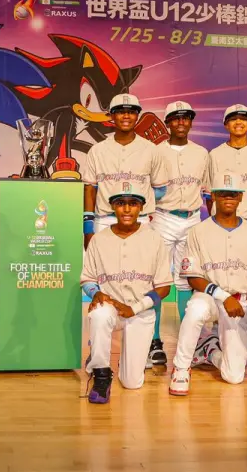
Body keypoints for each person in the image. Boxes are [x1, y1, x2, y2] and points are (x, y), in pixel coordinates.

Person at [168, 173, 247, 396]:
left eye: (233, 194)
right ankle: (181, 368)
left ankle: (209, 350)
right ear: (213, 196)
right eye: (223, 194)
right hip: (210, 297)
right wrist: (223, 296)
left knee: (234, 377)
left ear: (240, 197)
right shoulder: (197, 231)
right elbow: (192, 277)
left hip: (239, 303)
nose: (228, 198)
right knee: (195, 309)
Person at [81, 187, 173, 404]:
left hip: (140, 310)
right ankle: (101, 374)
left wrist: (135, 308)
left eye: (133, 203)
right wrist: (96, 293)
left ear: (141, 207)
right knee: (99, 314)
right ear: (113, 207)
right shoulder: (99, 239)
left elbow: (164, 287)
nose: (127, 209)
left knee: (132, 382)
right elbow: (87, 279)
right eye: (121, 203)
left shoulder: (154, 239)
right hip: (111, 306)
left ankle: (116, 356)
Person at [146, 100, 208, 364]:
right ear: (168, 122)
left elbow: (207, 190)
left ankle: (188, 340)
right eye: (176, 118)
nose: (181, 122)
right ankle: (154, 341)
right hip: (163, 216)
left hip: (192, 218)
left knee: (187, 279)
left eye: (186, 118)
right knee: (157, 278)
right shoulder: (155, 151)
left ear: (191, 122)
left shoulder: (202, 153)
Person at [81, 93, 172, 246]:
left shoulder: (151, 149)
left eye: (131, 112)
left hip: (140, 221)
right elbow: (90, 189)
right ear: (111, 116)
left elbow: (160, 189)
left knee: (141, 262)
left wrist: (142, 204)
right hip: (105, 220)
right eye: (120, 112)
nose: (126, 116)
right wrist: (88, 229)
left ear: (137, 116)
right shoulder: (97, 150)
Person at [205, 105, 247, 225]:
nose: (238, 122)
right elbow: (209, 195)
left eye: (243, 119)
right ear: (226, 125)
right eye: (233, 119)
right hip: (223, 222)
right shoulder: (215, 154)